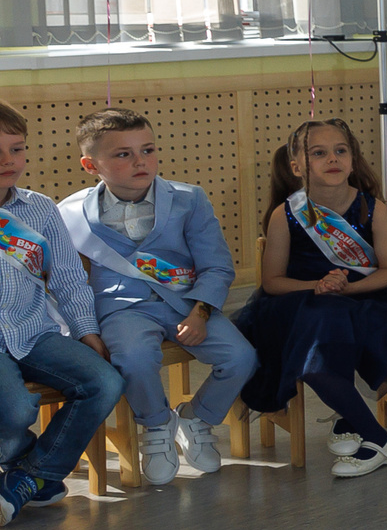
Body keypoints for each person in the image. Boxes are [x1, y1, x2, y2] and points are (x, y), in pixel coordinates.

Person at [59, 109, 258, 487]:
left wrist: (201, 313)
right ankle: (156, 424)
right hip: (121, 308)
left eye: (147, 150)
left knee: (241, 356)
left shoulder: (188, 199)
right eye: (123, 154)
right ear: (90, 165)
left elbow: (216, 266)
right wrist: (83, 330)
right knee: (134, 359)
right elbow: (66, 280)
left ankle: (197, 417)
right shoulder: (69, 213)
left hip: (186, 303)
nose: (140, 161)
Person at [237, 121, 387, 479]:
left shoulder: (372, 209)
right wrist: (318, 285)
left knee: (333, 322)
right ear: (298, 166)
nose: (332, 158)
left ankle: (349, 419)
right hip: (303, 303)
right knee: (320, 329)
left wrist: (345, 288)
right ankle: (378, 438)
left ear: (352, 158)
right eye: (319, 153)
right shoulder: (286, 214)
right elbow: (272, 281)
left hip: (363, 301)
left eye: (340, 150)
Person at [0, 102, 120, 525]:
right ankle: (40, 475)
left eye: (16, 150)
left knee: (104, 381)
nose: (7, 162)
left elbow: (68, 278)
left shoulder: (39, 209)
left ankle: (29, 477)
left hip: (35, 331)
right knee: (14, 412)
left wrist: (87, 331)